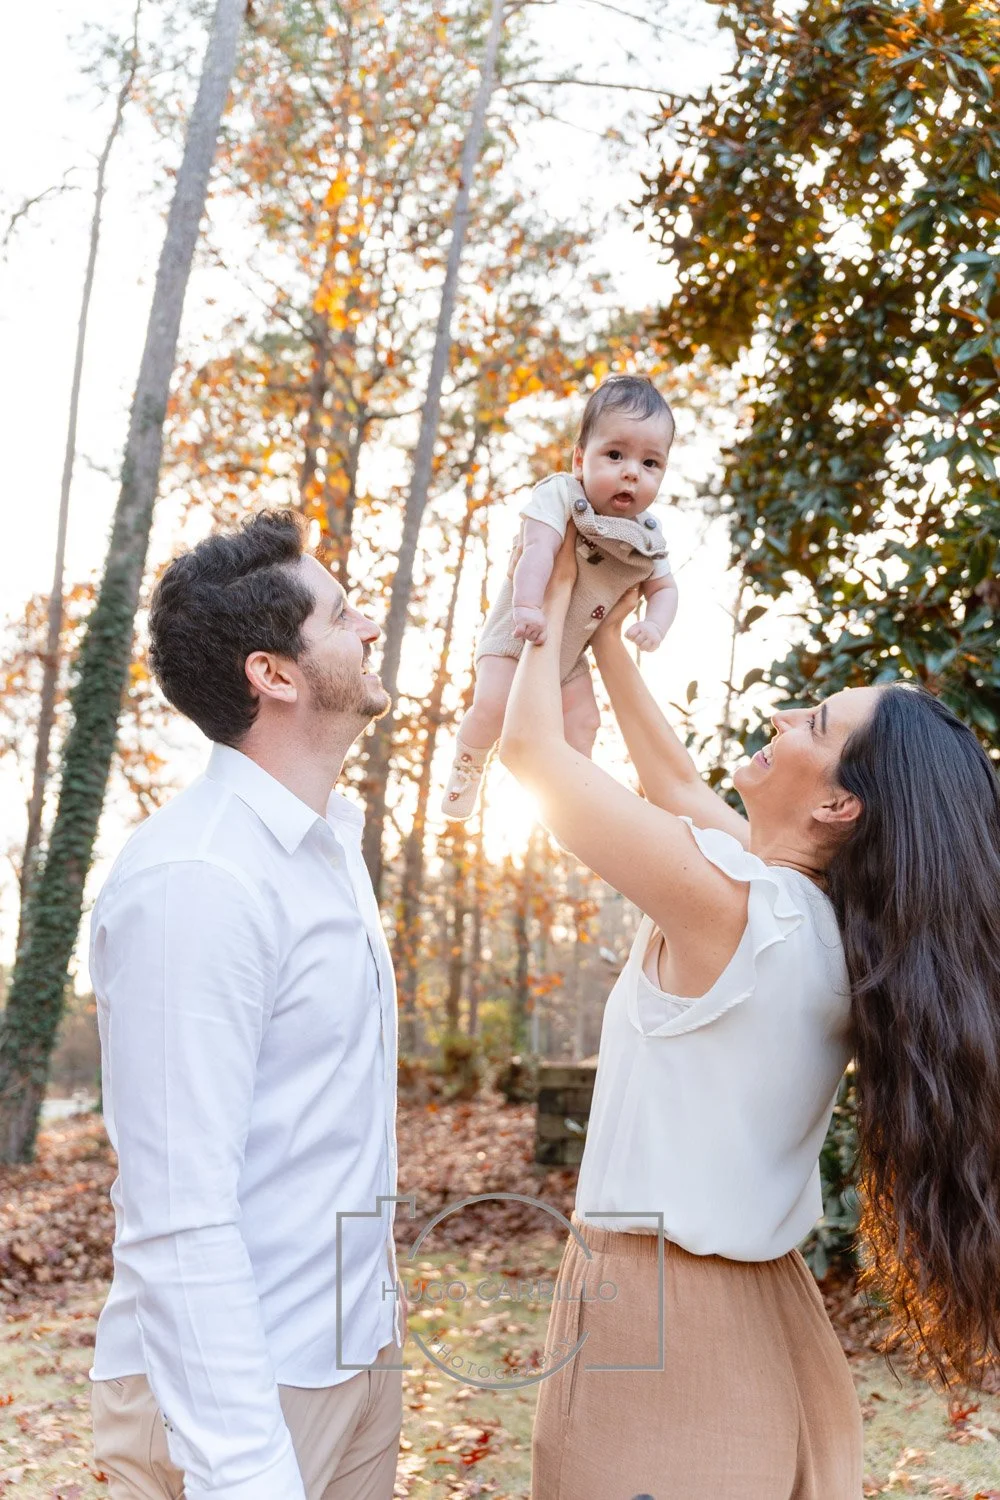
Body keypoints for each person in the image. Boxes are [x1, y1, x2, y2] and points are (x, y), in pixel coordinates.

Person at [499, 533, 1000, 1499]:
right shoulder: (811, 919)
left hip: (662, 1315)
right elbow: (678, 788)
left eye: (814, 723)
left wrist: (553, 585)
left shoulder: (740, 915)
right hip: (759, 1307)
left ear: (842, 806)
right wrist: (604, 631)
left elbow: (530, 754)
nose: (781, 714)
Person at [89, 510, 405, 1500]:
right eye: (343, 614)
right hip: (240, 1400)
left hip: (350, 1352)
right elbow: (177, 1215)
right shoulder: (198, 880)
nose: (368, 628)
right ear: (274, 673)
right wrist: (246, 1474)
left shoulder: (324, 846)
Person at [441, 374, 679, 820]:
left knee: (585, 722)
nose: (632, 471)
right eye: (614, 455)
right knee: (493, 704)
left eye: (651, 464)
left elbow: (664, 587)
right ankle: (469, 760)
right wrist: (528, 606)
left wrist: (654, 625)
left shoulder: (648, 535)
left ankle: (571, 801)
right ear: (579, 459)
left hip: (568, 656)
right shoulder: (561, 495)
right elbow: (538, 549)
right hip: (517, 633)